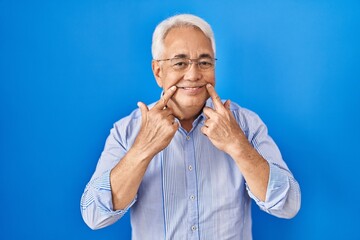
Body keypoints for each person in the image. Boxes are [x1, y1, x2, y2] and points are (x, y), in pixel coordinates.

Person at [80, 14, 301, 239]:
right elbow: (95, 215)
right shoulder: (127, 130)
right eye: (180, 63)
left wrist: (237, 144)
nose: (194, 75)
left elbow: (288, 204)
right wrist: (142, 149)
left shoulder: (245, 124)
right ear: (158, 71)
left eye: (204, 62)